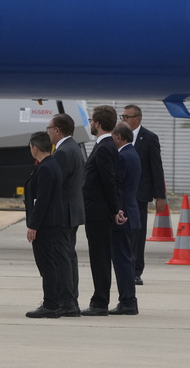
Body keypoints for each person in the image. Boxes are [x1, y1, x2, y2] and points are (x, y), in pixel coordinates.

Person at [81, 105, 127, 317]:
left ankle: (100, 302)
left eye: (91, 120)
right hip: (99, 211)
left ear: (98, 124)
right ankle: (99, 300)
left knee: (99, 258)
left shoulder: (105, 147)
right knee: (99, 257)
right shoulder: (107, 146)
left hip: (98, 213)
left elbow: (109, 181)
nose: (90, 123)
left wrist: (115, 209)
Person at [24, 131, 68, 319]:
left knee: (46, 264)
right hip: (51, 221)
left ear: (35, 148)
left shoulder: (46, 168)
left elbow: (41, 200)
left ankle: (50, 304)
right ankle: (53, 301)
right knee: (49, 263)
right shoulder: (51, 165)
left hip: (45, 224)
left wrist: (33, 225)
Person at [120, 104, 166, 285]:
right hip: (121, 193)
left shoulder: (149, 138)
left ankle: (136, 270)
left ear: (137, 119)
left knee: (137, 233)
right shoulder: (118, 136)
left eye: (126, 117)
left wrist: (159, 195)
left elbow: (156, 167)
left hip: (139, 194)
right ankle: (124, 267)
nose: (123, 119)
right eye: (122, 116)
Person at [47, 112, 85, 316]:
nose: (48, 132)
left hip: (63, 212)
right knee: (69, 256)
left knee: (62, 257)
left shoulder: (62, 152)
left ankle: (67, 302)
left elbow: (55, 183)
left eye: (49, 128)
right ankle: (71, 300)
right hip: (73, 210)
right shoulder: (74, 147)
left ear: (57, 130)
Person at [109, 123, 141, 315]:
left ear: (119, 137)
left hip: (123, 216)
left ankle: (128, 301)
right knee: (126, 259)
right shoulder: (133, 154)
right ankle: (129, 300)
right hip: (132, 213)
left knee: (122, 261)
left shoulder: (122, 157)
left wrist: (115, 211)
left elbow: (118, 187)